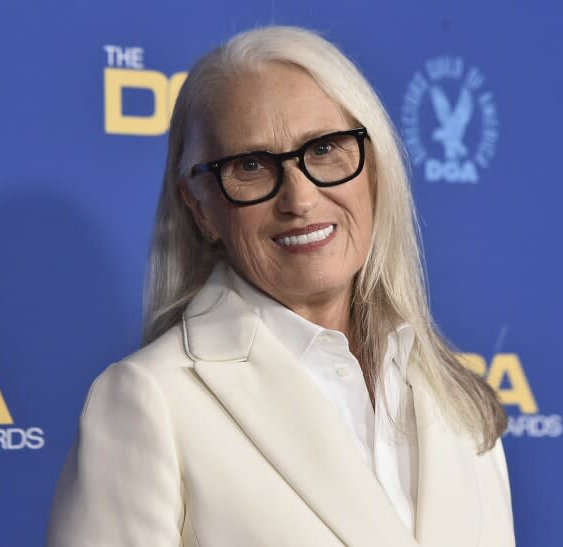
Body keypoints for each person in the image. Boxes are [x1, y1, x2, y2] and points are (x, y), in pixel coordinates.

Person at [46, 25, 514, 547]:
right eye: (250, 165)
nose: (301, 198)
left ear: (374, 169)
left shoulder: (454, 394)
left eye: (324, 149)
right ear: (200, 208)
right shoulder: (150, 400)